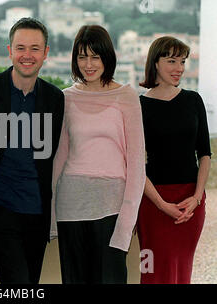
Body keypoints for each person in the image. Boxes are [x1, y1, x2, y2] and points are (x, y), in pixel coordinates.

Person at [0, 17, 64, 284]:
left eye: (34, 48)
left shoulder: (55, 98)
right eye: (20, 48)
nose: (27, 55)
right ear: (9, 51)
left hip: (37, 210)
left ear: (46, 53)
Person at [51, 25, 146, 284]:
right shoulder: (66, 97)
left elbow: (136, 164)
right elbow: (60, 155)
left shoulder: (126, 95)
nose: (88, 64)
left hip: (111, 206)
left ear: (107, 57)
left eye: (95, 56)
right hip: (70, 205)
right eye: (82, 56)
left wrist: (127, 222)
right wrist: (50, 215)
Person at [136, 36, 211, 284]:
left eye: (182, 61)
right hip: (152, 202)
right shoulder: (138, 105)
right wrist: (161, 204)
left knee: (182, 272)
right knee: (152, 270)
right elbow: (135, 163)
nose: (179, 68)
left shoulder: (193, 100)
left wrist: (197, 197)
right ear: (155, 63)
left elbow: (205, 153)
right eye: (171, 61)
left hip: (190, 203)